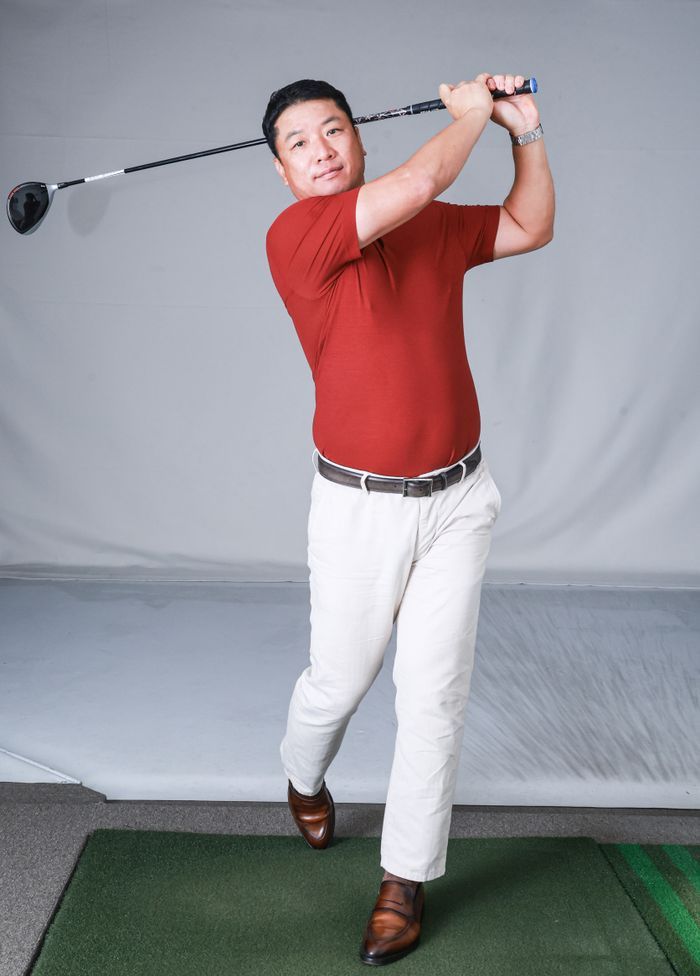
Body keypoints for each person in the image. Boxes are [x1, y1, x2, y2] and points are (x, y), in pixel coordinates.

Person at [262, 72, 554, 966]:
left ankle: (404, 880)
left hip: (460, 498)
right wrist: (469, 114)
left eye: (333, 130)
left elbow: (529, 226)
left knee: (435, 695)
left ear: (360, 138)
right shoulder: (297, 235)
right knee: (338, 682)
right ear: (282, 171)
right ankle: (303, 776)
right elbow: (423, 178)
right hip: (359, 509)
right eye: (298, 142)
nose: (320, 150)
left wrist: (524, 133)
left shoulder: (427, 223)